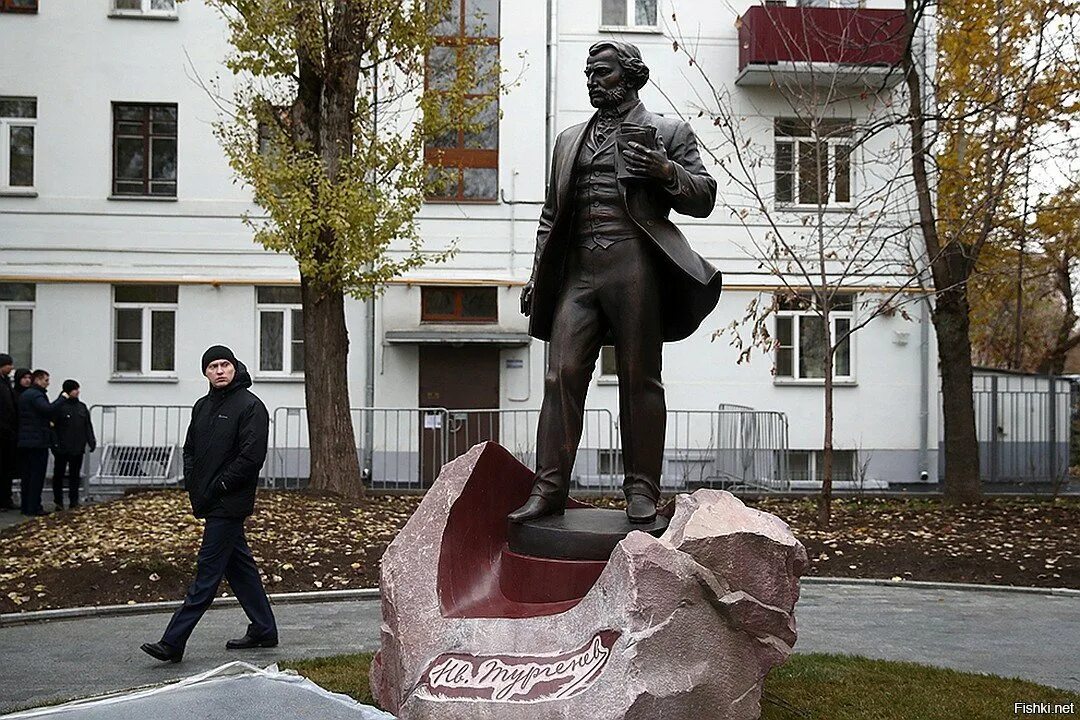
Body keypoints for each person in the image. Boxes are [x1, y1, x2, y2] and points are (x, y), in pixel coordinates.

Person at [510, 41, 721, 525]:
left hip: (635, 267)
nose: (591, 80)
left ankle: (642, 491)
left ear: (629, 77)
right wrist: (538, 276)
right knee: (560, 373)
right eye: (587, 72)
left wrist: (666, 171)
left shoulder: (667, 131)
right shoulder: (568, 141)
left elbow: (705, 194)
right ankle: (548, 488)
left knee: (639, 377)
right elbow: (550, 217)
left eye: (600, 72)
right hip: (579, 273)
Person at [141, 345, 278, 663]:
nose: (219, 370)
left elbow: (251, 456)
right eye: (213, 366)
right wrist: (193, 481)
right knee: (239, 567)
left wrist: (221, 484)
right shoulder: (202, 406)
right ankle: (264, 628)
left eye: (225, 364)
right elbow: (189, 448)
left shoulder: (250, 406)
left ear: (234, 368)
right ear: (205, 372)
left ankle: (173, 641)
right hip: (208, 497)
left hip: (229, 501)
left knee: (207, 572)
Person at [17, 370, 65, 516]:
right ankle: (34, 507)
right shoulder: (36, 395)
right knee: (36, 476)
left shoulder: (25, 395)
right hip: (37, 441)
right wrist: (61, 398)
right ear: (37, 380)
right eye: (46, 380)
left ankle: (26, 506)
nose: (48, 383)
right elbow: (47, 409)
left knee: (27, 476)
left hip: (26, 440)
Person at [51, 380, 96, 510]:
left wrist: (91, 440)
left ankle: (73, 501)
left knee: (74, 475)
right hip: (62, 447)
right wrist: (55, 444)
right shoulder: (59, 407)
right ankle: (58, 501)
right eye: (74, 389)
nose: (77, 392)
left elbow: (87, 425)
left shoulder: (81, 407)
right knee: (59, 475)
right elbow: (53, 427)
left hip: (77, 447)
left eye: (77, 389)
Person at [0, 354, 16, 510]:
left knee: (7, 468)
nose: (11, 368)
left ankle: (6, 499)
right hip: (3, 430)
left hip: (7, 431)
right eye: (9, 365)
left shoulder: (6, 382)